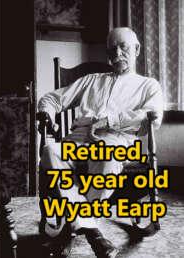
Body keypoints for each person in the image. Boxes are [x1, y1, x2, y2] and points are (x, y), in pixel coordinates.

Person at [38, 27, 164, 258]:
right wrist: (47, 114)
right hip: (76, 142)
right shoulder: (91, 81)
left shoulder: (148, 85)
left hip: (113, 142)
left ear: (136, 49)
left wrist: (110, 120)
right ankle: (91, 229)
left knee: (106, 153)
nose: (117, 53)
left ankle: (74, 225)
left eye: (123, 47)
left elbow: (152, 116)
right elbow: (52, 98)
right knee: (50, 149)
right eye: (112, 48)